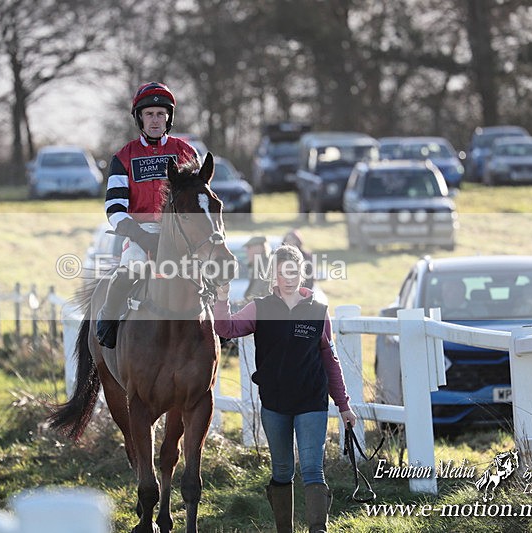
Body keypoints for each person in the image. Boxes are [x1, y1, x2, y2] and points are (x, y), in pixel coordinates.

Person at [213, 244, 356, 533]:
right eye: (282, 272)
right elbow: (225, 329)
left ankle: (318, 528)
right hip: (275, 404)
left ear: (301, 273)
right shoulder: (261, 307)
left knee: (313, 470)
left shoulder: (317, 311)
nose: (289, 277)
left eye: (294, 270)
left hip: (312, 402)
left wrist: (344, 405)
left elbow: (330, 360)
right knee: (281, 470)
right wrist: (222, 296)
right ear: (274, 276)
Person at [96, 82, 199, 349]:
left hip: (182, 234)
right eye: (149, 114)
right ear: (140, 117)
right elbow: (115, 210)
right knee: (132, 267)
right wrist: (141, 237)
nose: (155, 120)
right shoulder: (123, 157)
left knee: (211, 269)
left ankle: (218, 322)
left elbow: (199, 200)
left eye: (161, 114)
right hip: (143, 235)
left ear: (169, 118)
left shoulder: (187, 153)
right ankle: (107, 319)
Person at [242, 235, 271, 303]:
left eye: (249, 247)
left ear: (260, 248)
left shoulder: (267, 267)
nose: (246, 251)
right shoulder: (257, 266)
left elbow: (262, 294)